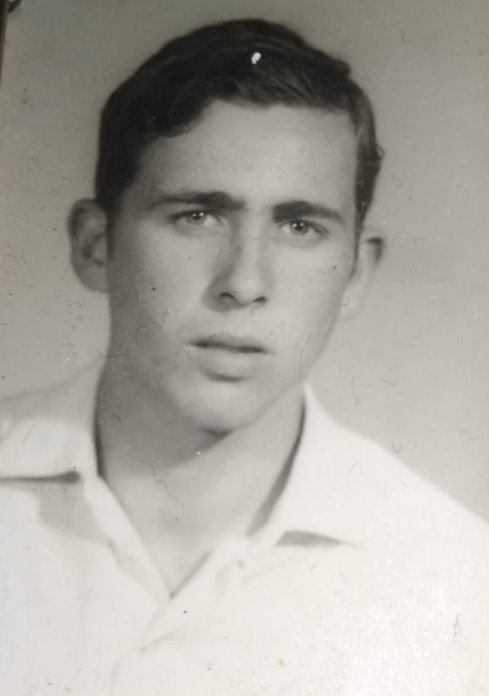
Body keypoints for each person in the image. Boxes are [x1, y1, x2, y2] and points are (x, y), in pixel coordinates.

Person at [0, 18, 487, 696]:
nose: (245, 282)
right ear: (95, 245)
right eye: (197, 216)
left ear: (355, 273)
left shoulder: (458, 582)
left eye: (299, 226)